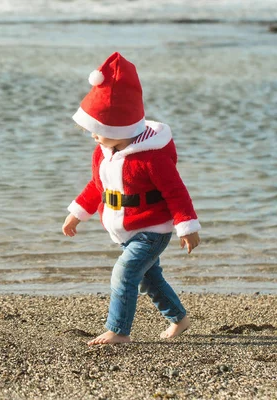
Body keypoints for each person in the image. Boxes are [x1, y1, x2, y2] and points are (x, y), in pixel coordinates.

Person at [62, 52, 201, 346]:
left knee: (124, 273)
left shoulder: (151, 157)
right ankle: (179, 318)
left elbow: (176, 191)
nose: (93, 138)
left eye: (98, 132)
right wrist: (77, 213)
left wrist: (187, 226)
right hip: (127, 228)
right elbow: (96, 186)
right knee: (150, 280)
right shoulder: (103, 152)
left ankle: (118, 331)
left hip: (153, 229)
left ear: (118, 128)